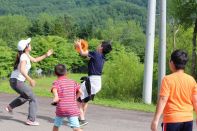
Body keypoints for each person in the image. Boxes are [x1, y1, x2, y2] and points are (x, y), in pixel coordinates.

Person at [6, 38, 53, 126]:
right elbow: (22, 70)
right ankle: (31, 120)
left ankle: (10, 106)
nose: (30, 45)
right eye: (29, 44)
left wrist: (46, 55)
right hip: (17, 81)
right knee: (33, 98)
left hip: (14, 81)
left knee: (26, 96)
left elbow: (35, 60)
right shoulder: (24, 57)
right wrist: (30, 79)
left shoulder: (25, 55)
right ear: (26, 47)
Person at [151, 50, 197, 131]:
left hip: (172, 120)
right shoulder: (191, 80)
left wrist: (156, 120)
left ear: (172, 62)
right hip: (188, 120)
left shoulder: (167, 79)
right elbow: (195, 101)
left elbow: (163, 99)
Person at [75, 39, 112, 126]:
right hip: (97, 82)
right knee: (85, 101)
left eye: (100, 44)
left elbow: (82, 53)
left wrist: (79, 45)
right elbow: (86, 56)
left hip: (92, 81)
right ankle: (81, 118)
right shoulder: (102, 57)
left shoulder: (96, 54)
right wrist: (81, 49)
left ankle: (82, 120)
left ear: (101, 47)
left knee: (77, 98)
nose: (98, 45)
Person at [51, 64, 83, 131]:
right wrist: (75, 98)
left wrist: (56, 96)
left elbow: (54, 89)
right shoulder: (73, 82)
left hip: (61, 108)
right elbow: (80, 92)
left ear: (55, 73)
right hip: (72, 108)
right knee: (76, 128)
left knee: (56, 126)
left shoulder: (56, 82)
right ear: (66, 72)